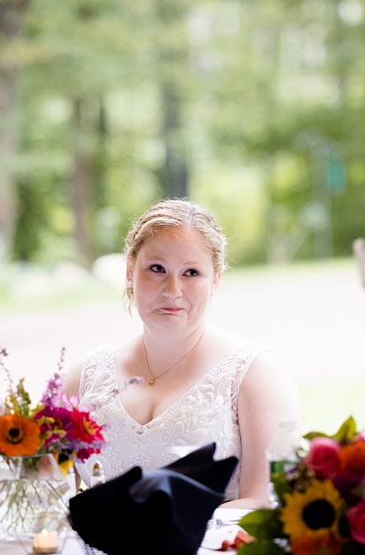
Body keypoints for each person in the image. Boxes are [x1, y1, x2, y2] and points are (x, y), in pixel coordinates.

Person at [66, 199, 300, 509]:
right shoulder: (85, 378)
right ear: (129, 271)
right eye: (157, 269)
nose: (172, 289)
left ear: (214, 281)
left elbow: (265, 504)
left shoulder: (255, 374)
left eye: (191, 272)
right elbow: (48, 497)